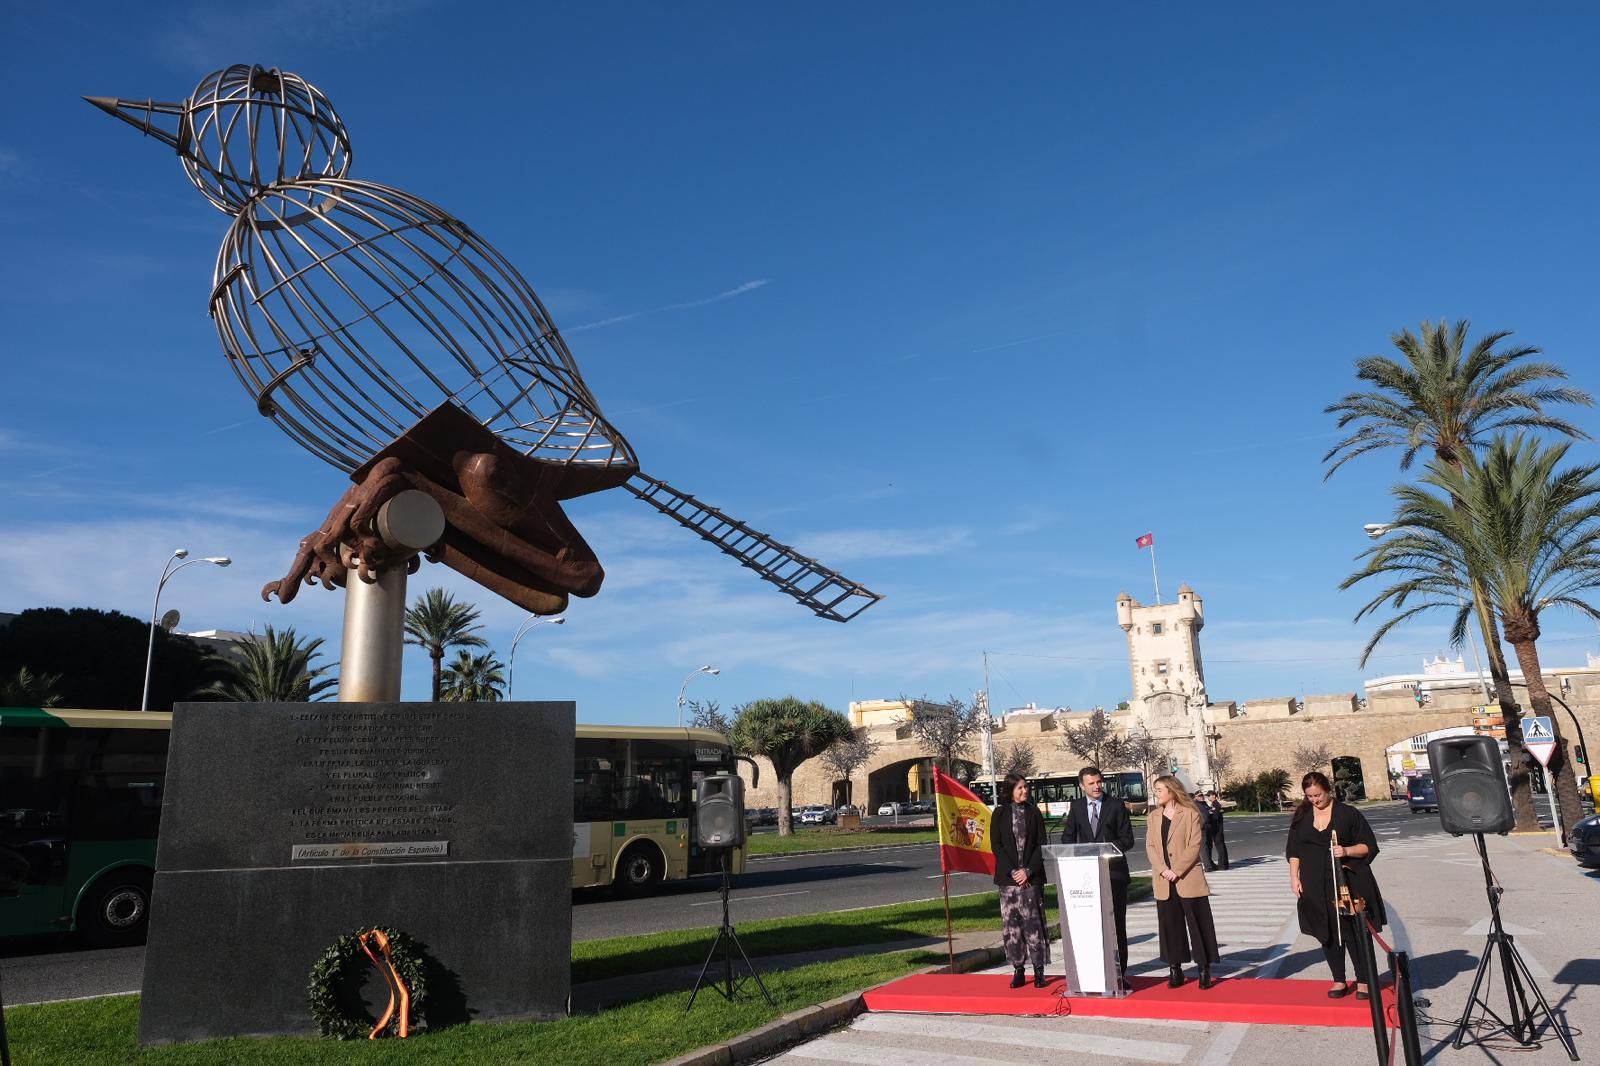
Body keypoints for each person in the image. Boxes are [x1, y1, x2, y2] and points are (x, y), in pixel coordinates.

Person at [1286, 770, 1386, 999]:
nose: (1314, 800)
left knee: (1353, 932)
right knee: (1326, 931)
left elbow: (1369, 845)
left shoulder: (1347, 814)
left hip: (1347, 881)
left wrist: (1347, 850)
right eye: (1310, 796)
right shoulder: (1301, 816)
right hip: (1314, 883)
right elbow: (1294, 850)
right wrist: (1294, 877)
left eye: (1318, 796)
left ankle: (1363, 980)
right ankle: (1338, 979)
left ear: (1328, 790)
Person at [1059, 765, 1136, 986]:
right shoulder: (1076, 806)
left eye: (1099, 782)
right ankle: (1094, 974)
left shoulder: (1115, 805)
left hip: (1114, 875)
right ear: (1082, 786)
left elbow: (1127, 839)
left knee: (1116, 927)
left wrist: (1105, 850)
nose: (1097, 786)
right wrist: (1081, 851)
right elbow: (1067, 837)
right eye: (1091, 783)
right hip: (1086, 877)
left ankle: (1120, 975)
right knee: (1092, 927)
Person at [1146, 774, 1220, 989]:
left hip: (1188, 877)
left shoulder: (1190, 814)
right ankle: (1174, 968)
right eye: (1155, 790)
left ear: (1171, 790)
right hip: (1164, 881)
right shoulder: (1153, 816)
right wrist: (1162, 869)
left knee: (1198, 924)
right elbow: (1150, 846)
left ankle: (1204, 968)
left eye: (1159, 789)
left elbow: (1195, 845)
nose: (1156, 793)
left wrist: (1176, 870)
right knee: (1170, 927)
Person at [991, 772, 1051, 988]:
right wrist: (1014, 872)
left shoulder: (1034, 812)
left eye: (1026, 787)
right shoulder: (999, 813)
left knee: (1034, 923)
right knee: (1012, 926)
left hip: (1031, 879)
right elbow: (996, 845)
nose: (1024, 791)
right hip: (1008, 881)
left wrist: (1027, 871)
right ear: (1010, 791)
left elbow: (1040, 844)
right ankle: (1018, 969)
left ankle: (1039, 970)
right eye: (1020, 788)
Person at [1202, 790, 1230, 871]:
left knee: (1220, 846)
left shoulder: (1216, 805)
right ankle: (1224, 864)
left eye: (1209, 795)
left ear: (1214, 796)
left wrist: (1208, 819)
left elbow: (1215, 817)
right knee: (1220, 845)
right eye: (1207, 796)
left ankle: (1222, 865)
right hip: (1216, 828)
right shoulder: (1213, 804)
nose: (1208, 797)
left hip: (1217, 828)